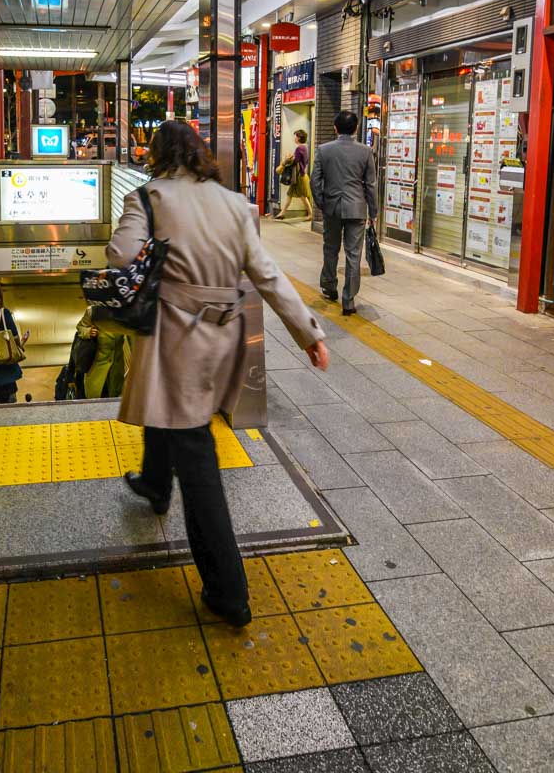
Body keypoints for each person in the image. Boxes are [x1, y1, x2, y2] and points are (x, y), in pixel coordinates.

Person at [111, 120, 329, 628]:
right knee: (175, 413)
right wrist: (309, 334)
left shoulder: (148, 198)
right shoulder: (234, 204)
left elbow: (120, 255)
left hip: (176, 339)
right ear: (202, 153)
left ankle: (228, 591)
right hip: (224, 338)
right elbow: (267, 273)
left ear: (159, 154)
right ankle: (154, 483)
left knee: (198, 459)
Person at [311, 110, 377, 316]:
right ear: (356, 128)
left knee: (330, 249)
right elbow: (371, 185)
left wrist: (322, 202)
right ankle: (348, 300)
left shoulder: (323, 150)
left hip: (332, 207)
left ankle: (329, 287)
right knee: (354, 254)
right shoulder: (366, 152)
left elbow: (315, 180)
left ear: (335, 128)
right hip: (357, 208)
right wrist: (373, 211)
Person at [275, 129, 314, 222]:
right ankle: (282, 213)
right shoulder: (305, 147)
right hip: (299, 176)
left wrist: (287, 159)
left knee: (303, 196)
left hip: (299, 176)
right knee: (290, 194)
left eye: (295, 136)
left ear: (299, 137)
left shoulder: (299, 148)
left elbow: (295, 161)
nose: (294, 138)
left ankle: (311, 214)